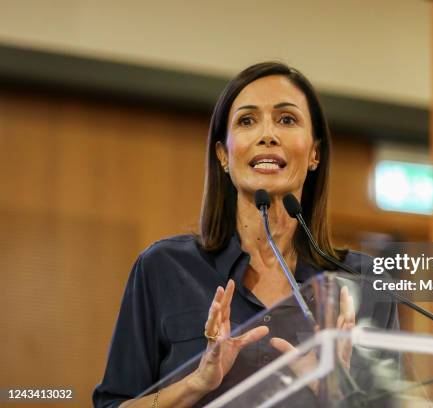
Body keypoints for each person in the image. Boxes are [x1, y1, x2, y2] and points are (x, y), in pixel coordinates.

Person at [93, 62, 399, 408]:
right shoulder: (164, 268)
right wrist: (196, 383)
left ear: (314, 153)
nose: (267, 134)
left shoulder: (363, 281)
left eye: (287, 119)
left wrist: (339, 396)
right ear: (223, 155)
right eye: (247, 121)